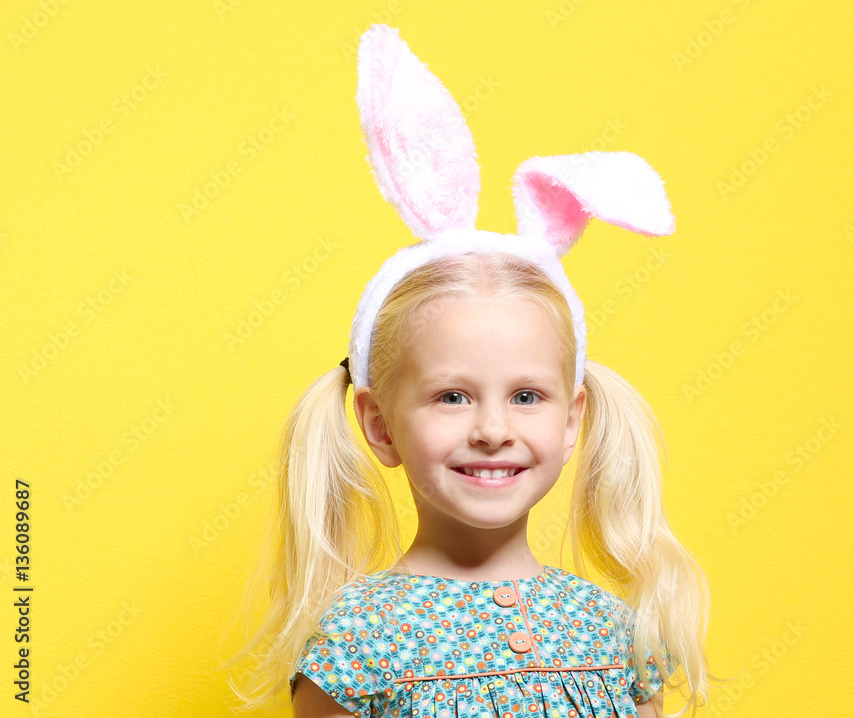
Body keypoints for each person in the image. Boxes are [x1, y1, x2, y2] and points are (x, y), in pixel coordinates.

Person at [227, 24, 710, 718]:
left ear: (572, 418)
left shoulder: (618, 632)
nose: (492, 429)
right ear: (380, 424)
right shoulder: (356, 646)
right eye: (452, 396)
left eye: (525, 396)